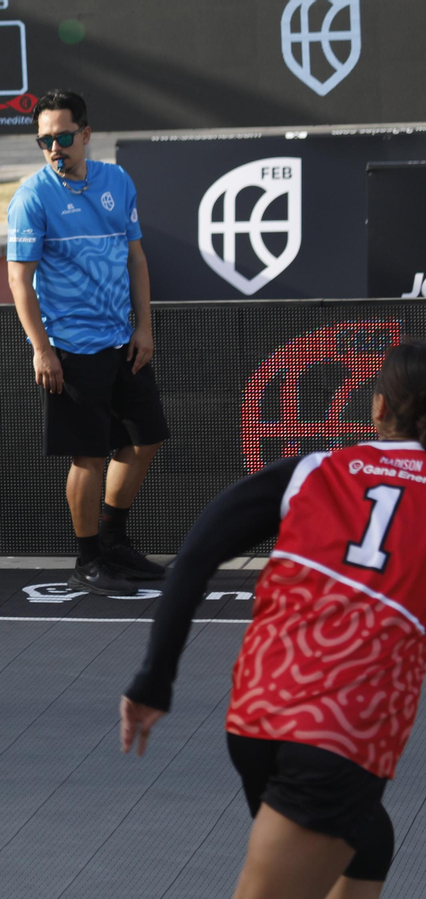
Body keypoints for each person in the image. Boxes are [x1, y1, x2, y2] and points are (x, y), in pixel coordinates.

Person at [121, 341, 426, 899]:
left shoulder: (314, 469)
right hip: (340, 733)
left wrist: (154, 679)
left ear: (379, 408)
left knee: (368, 839)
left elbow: (194, 558)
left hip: (257, 717)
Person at [5, 88, 168, 596]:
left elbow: (136, 259)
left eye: (64, 136)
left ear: (86, 133)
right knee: (89, 458)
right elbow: (18, 279)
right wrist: (42, 348)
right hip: (72, 349)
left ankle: (116, 542)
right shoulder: (32, 197)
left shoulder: (117, 182)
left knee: (144, 442)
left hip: (124, 341)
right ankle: (88, 558)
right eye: (45, 140)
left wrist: (144, 327)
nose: (55, 147)